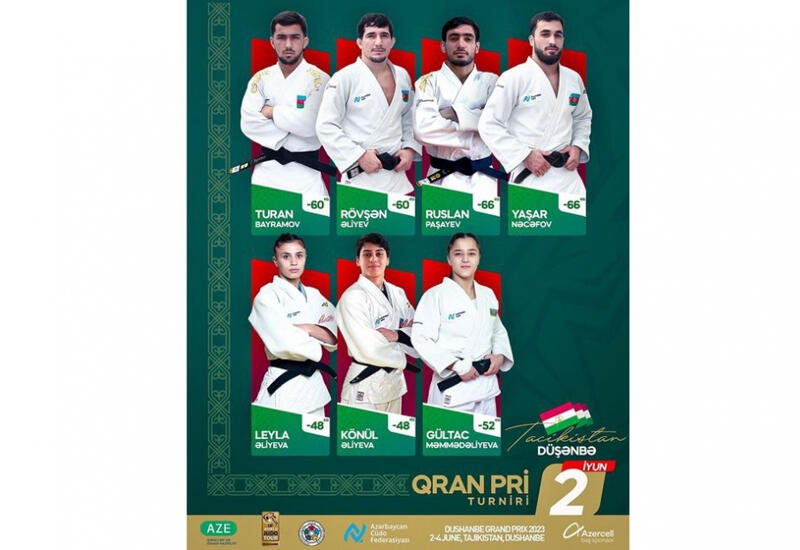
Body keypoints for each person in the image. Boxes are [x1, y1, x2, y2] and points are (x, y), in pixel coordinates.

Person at [478, 11, 591, 195]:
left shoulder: (573, 78)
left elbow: (582, 116)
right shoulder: (514, 77)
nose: (552, 41)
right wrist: (524, 155)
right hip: (530, 176)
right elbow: (488, 124)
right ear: (531, 40)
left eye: (558, 35)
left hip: (569, 180)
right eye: (545, 34)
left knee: (574, 216)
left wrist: (578, 146)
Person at [315, 13, 421, 195]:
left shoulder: (402, 75)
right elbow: (325, 126)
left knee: (398, 216)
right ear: (359, 42)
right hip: (361, 177)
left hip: (396, 177)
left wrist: (409, 148)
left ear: (392, 41)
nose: (378, 42)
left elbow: (408, 117)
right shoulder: (344, 78)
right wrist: (359, 156)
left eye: (384, 35)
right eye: (371, 36)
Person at [411, 233, 513, 416]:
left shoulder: (487, 295)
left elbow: (497, 330)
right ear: (449, 259)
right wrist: (457, 366)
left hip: (486, 389)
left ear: (479, 258)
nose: (465, 259)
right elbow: (421, 339)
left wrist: (499, 356)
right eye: (458, 254)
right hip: (453, 391)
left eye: (471, 253)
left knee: (485, 435)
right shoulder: (435, 295)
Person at [240, 11, 332, 196]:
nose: (288, 45)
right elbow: (248, 123)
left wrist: (273, 112)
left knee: (312, 218)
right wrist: (295, 124)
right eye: (281, 38)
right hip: (267, 175)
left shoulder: (320, 80)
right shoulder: (260, 79)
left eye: (295, 37)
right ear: (272, 42)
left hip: (307, 177)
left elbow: (312, 125)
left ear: (305, 41)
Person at [413, 16, 502, 196]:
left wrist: (454, 113)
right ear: (443, 45)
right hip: (441, 178)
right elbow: (422, 130)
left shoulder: (493, 82)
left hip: (482, 180)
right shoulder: (427, 82)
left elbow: (500, 125)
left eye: (468, 39)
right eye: (454, 38)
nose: (461, 44)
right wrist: (477, 125)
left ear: (477, 46)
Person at [249, 234, 337, 416]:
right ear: (276, 261)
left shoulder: (314, 295)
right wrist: (317, 334)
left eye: (299, 255)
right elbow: (284, 342)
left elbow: (333, 337)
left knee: (315, 435)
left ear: (305, 257)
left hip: (314, 389)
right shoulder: (267, 296)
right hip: (284, 387)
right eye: (286, 256)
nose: (294, 262)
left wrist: (308, 328)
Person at [335, 233, 420, 413]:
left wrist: (396, 335)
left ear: (387, 259)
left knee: (392, 432)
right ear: (357, 261)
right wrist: (403, 341)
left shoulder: (398, 293)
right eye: (367, 254)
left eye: (379, 254)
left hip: (394, 384)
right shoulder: (352, 297)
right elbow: (368, 347)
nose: (373, 259)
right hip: (365, 385)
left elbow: (419, 332)